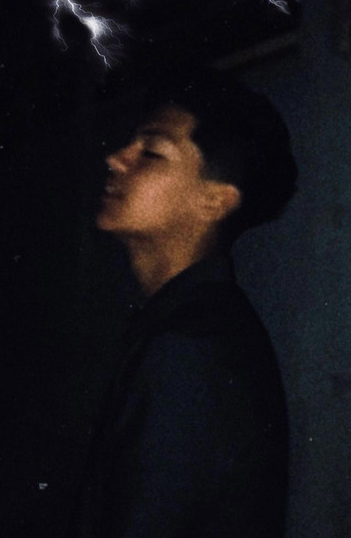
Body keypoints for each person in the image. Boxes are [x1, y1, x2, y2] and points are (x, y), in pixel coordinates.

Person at [69, 69, 298, 538]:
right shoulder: (190, 323)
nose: (115, 159)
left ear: (213, 202)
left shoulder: (189, 349)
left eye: (151, 152)